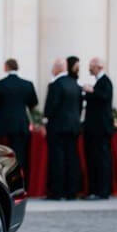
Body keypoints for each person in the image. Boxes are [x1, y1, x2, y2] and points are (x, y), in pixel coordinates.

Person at [43, 58, 83, 200]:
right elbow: (79, 107)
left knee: (57, 160)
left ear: (58, 68)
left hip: (57, 128)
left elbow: (50, 108)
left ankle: (57, 192)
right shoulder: (75, 84)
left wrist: (45, 120)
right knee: (72, 159)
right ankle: (71, 192)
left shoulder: (55, 85)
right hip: (73, 127)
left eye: (53, 67)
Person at [0, 58, 37, 169]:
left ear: (6, 67)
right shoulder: (27, 84)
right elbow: (33, 103)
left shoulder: (0, 84)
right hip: (21, 124)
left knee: (4, 156)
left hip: (4, 125)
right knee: (20, 156)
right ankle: (21, 181)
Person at [82, 57, 114, 199]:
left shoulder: (105, 81)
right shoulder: (100, 82)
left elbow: (105, 97)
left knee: (101, 160)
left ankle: (102, 191)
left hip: (100, 129)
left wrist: (91, 91)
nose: (89, 68)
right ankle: (96, 190)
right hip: (95, 129)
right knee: (95, 159)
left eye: (91, 66)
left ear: (99, 67)